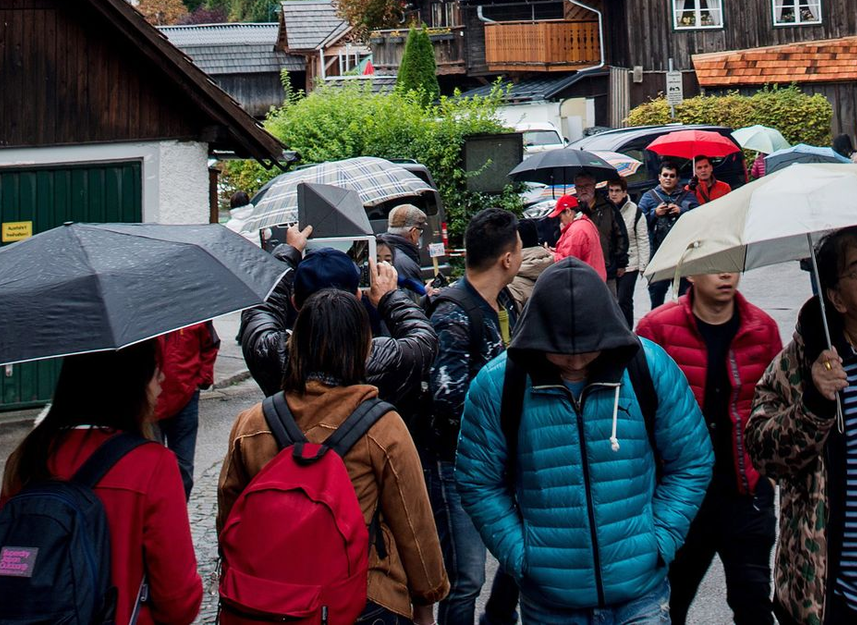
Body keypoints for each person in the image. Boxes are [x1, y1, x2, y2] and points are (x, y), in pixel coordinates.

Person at [455, 259, 713, 625]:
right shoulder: (497, 385)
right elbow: (478, 481)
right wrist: (522, 556)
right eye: (562, 350)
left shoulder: (649, 367)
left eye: (588, 349)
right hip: (550, 602)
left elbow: (692, 460)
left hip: (641, 595)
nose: (576, 361)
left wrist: (660, 539)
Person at [219, 287, 449, 625]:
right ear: (363, 346)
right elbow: (413, 522)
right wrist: (427, 598)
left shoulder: (252, 424)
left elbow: (229, 515)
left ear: (296, 342)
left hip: (269, 599)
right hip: (363, 597)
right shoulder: (382, 427)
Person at [0, 342, 202, 625]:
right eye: (155, 371)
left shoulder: (25, 458)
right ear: (131, 384)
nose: (162, 380)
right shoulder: (154, 466)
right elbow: (179, 603)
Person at [636, 271, 782, 624]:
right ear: (692, 269)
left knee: (754, 605)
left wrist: (769, 475)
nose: (726, 273)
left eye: (731, 263)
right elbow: (637, 414)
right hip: (682, 499)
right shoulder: (657, 329)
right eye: (715, 264)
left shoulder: (761, 328)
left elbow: (779, 405)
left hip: (745, 495)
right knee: (669, 605)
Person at [746, 226, 857, 625]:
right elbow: (764, 452)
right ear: (835, 298)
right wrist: (814, 402)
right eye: (856, 270)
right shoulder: (798, 364)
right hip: (831, 594)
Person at [423, 208, 522, 625]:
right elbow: (448, 399)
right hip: (456, 464)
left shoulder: (504, 303)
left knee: (519, 555)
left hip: (502, 458)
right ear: (507, 258)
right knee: (465, 578)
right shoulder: (453, 313)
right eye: (520, 249)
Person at [238, 223, 438, 411]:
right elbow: (424, 338)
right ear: (358, 295)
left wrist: (288, 254)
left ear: (295, 302)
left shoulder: (272, 353)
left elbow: (261, 307)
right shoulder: (383, 358)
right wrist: (389, 297)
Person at [155, 322, 220, 498]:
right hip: (150, 402)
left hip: (186, 397)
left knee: (183, 467)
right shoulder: (145, 318)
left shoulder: (194, 318)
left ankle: (178, 507)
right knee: (152, 465)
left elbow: (211, 344)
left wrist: (202, 380)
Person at [638, 162, 689, 308]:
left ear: (677, 178)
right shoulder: (648, 197)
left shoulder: (688, 196)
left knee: (684, 298)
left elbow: (699, 215)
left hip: (682, 254)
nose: (668, 178)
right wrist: (655, 213)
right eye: (665, 175)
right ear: (659, 177)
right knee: (657, 295)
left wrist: (681, 211)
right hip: (657, 254)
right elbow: (638, 221)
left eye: (672, 176)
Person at [573, 171, 628, 293]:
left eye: (586, 185)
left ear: (594, 186)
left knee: (610, 301)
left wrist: (621, 262)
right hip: (581, 270)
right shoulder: (573, 210)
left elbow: (621, 235)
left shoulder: (608, 207)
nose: (583, 190)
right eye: (579, 187)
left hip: (607, 267)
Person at [606, 175, 649, 327]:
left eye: (617, 190)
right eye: (611, 190)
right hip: (611, 262)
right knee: (612, 299)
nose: (614, 194)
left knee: (624, 298)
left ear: (624, 192)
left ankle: (628, 330)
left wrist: (643, 265)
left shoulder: (635, 211)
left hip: (631, 262)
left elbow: (643, 239)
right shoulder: (605, 209)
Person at [548, 193, 606, 280]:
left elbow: (567, 262)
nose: (561, 222)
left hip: (585, 282)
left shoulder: (577, 230)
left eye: (560, 217)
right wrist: (556, 251)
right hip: (593, 280)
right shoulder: (585, 223)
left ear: (568, 212)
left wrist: (551, 255)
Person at [382, 203, 429, 300]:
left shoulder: (381, 249)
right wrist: (430, 295)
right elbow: (415, 302)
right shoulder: (405, 262)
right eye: (420, 232)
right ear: (413, 232)